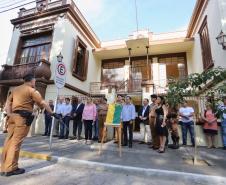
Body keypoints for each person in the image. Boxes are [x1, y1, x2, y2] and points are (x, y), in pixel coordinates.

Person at [0, 74, 57, 177]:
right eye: (34, 81)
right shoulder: (32, 90)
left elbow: (8, 103)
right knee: (16, 143)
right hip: (22, 119)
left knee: (8, 141)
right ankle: (9, 169)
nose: (34, 83)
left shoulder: (15, 89)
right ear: (32, 81)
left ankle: (4, 167)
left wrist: (9, 114)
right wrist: (52, 113)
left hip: (12, 117)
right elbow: (43, 102)